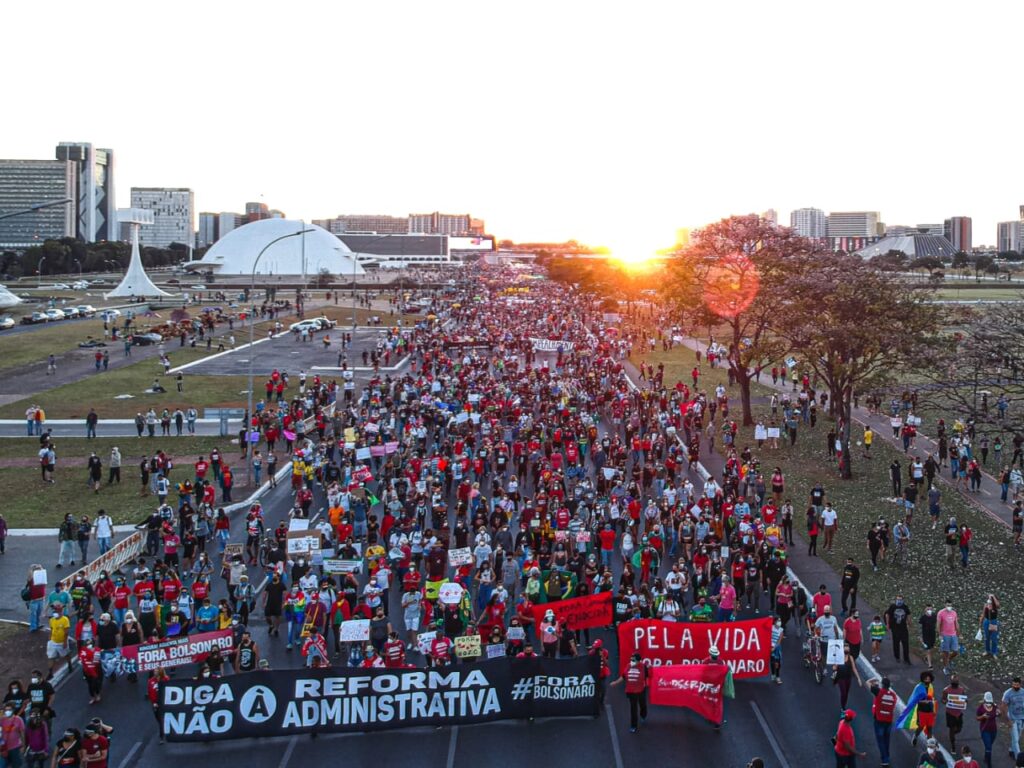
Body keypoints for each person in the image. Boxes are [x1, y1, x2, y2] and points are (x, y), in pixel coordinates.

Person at [611, 652, 649, 733]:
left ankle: (643, 715)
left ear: (639, 661)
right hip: (631, 692)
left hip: (641, 690)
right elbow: (623, 677)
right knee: (633, 708)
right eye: (631, 660)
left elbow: (648, 676)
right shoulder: (628, 666)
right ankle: (633, 725)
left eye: (634, 660)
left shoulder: (643, 667)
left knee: (642, 704)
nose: (632, 661)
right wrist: (615, 682)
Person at [869, 677, 898, 768]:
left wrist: (875, 679)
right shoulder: (893, 695)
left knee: (880, 740)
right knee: (886, 740)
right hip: (889, 720)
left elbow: (868, 682)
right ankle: (887, 755)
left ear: (882, 685)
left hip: (879, 720)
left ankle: (885, 759)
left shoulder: (879, 692)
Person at [942, 673, 968, 753]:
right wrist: (945, 701)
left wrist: (965, 701)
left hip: (959, 713)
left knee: (959, 729)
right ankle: (953, 745)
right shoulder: (946, 690)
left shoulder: (961, 690)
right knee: (952, 729)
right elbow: (942, 700)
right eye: (954, 681)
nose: (955, 682)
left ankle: (951, 735)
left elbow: (964, 699)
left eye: (956, 681)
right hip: (950, 713)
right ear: (951, 681)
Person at [1002, 677, 1024, 759]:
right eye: (1014, 685)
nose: (1015, 686)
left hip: (1022, 718)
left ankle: (1011, 750)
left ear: (1020, 684)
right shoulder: (1008, 693)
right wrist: (1008, 720)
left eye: (1017, 685)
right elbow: (1003, 706)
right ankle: (1019, 759)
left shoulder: (1023, 692)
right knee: (1015, 739)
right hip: (1013, 719)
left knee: (1017, 737)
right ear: (1012, 684)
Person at [977, 691, 999, 768]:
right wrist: (983, 716)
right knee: (989, 747)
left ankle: (986, 757)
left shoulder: (995, 706)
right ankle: (989, 765)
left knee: (989, 746)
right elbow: (977, 718)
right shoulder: (981, 708)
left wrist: (999, 713)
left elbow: (999, 714)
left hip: (993, 730)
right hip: (985, 730)